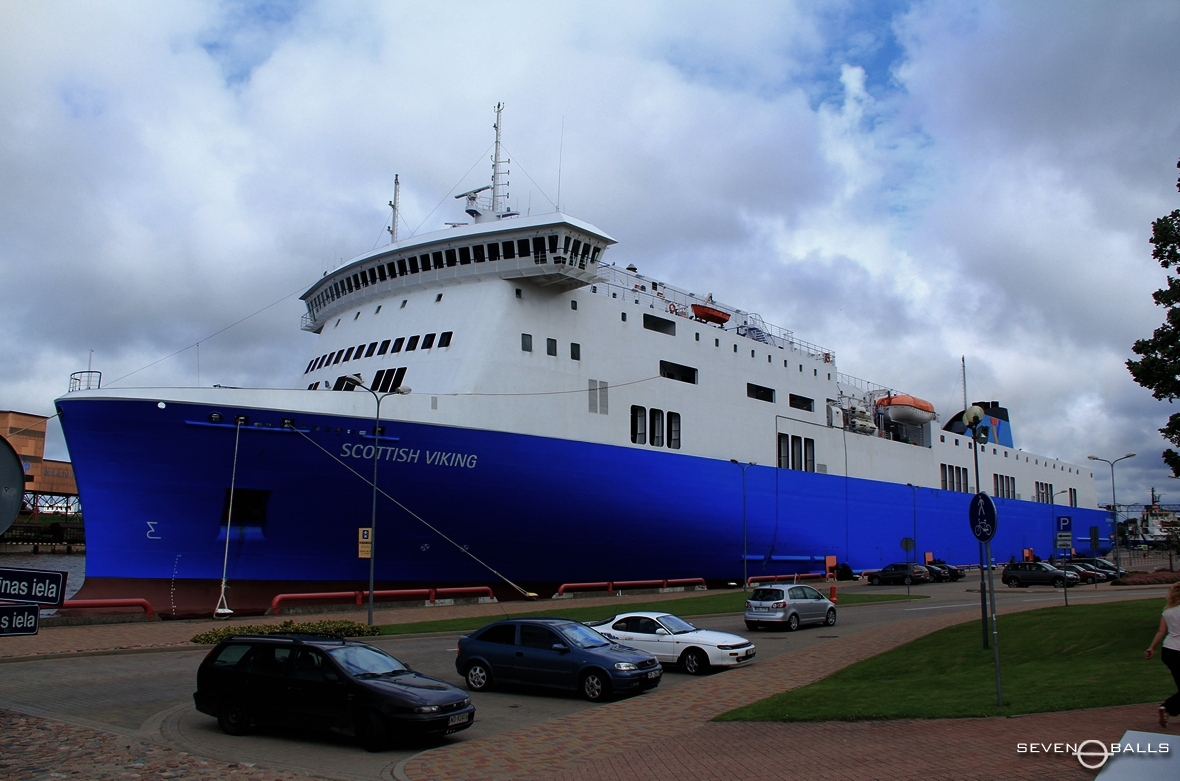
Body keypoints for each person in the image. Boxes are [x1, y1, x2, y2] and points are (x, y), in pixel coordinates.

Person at [1145, 581, 1180, 727]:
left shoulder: (1167, 612)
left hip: (1169, 651)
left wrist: (1152, 647)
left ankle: (1169, 709)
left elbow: (1161, 631)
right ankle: (1167, 707)